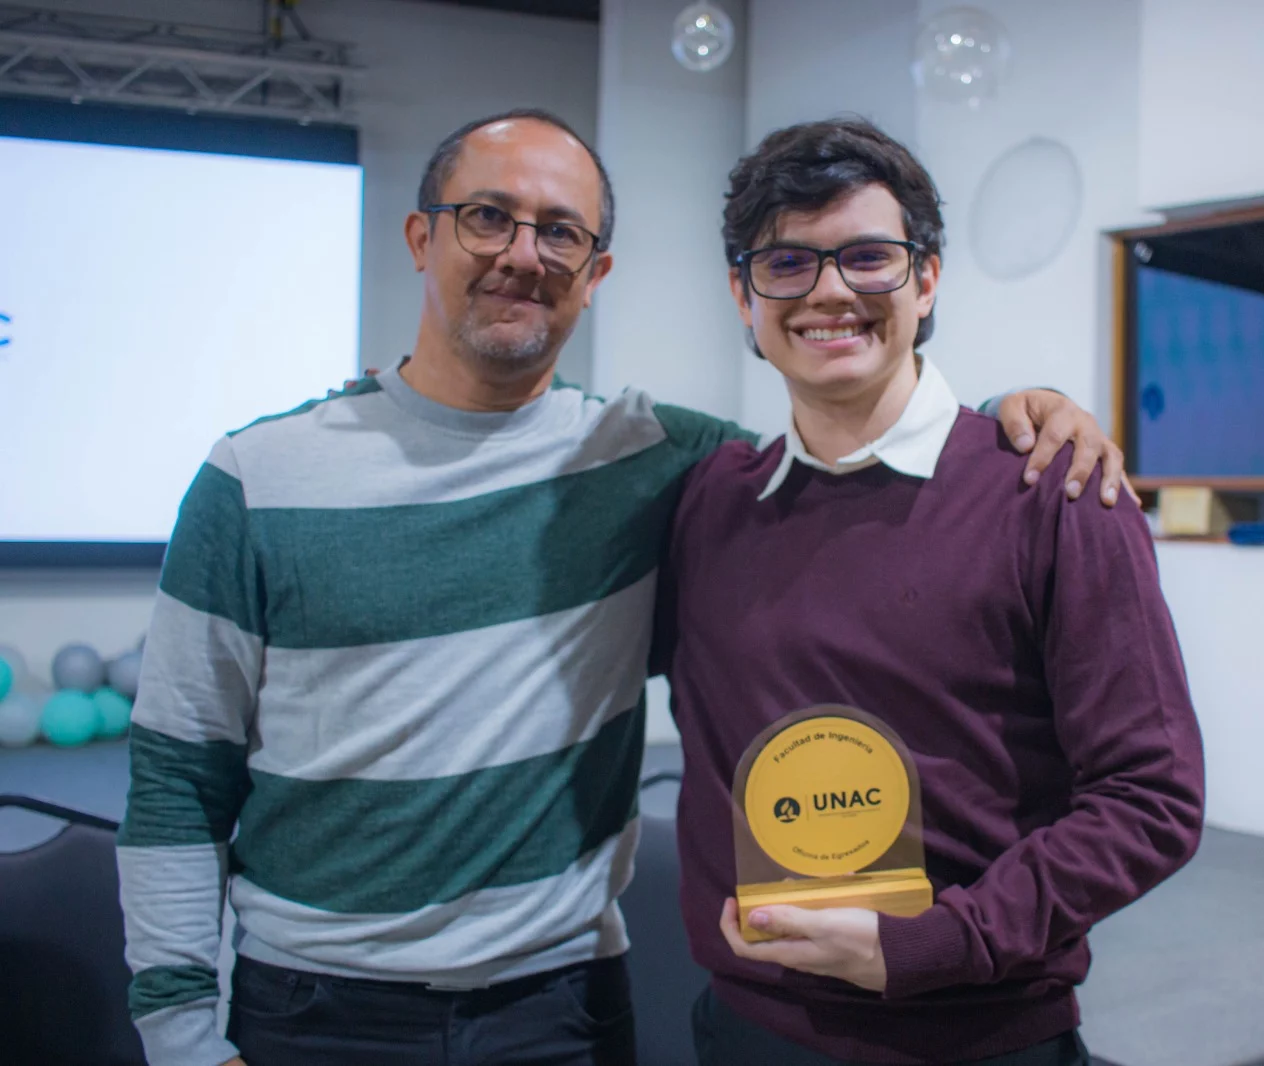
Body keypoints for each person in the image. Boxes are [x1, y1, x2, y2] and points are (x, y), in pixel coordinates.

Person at [115, 108, 1126, 1066]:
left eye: (561, 232)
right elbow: (174, 781)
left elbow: (849, 454)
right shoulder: (257, 476)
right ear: (421, 237)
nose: (523, 252)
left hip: (561, 1003)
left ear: (595, 272)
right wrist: (178, 1032)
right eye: (487, 217)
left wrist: (1007, 421)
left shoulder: (655, 460)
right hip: (312, 1004)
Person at [654, 119, 1205, 1066]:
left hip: (975, 1037)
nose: (830, 291)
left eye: (869, 257)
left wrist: (934, 942)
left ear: (928, 278)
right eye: (787, 264)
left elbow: (1151, 799)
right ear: (743, 298)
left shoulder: (1053, 490)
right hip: (746, 1031)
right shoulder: (709, 500)